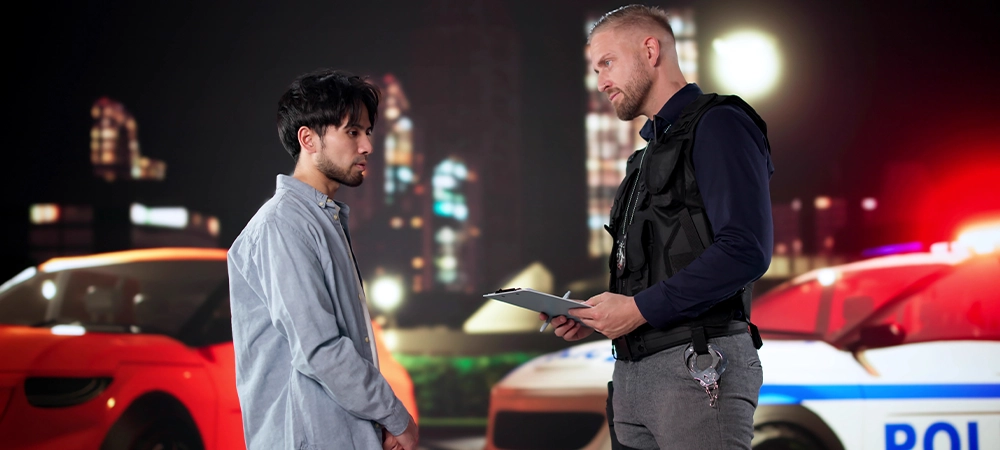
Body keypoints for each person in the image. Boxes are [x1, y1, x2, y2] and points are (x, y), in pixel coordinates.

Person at [542, 5, 774, 450]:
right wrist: (596, 315)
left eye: (607, 63)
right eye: (595, 69)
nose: (601, 81)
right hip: (631, 375)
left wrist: (638, 310)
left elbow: (745, 249)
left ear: (651, 50)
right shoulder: (643, 158)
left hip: (699, 366)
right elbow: (658, 267)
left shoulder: (720, 123)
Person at [228, 69, 418, 450]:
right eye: (352, 132)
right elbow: (320, 350)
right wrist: (396, 417)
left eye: (368, 132)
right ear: (308, 139)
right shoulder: (284, 226)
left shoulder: (322, 220)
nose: (367, 146)